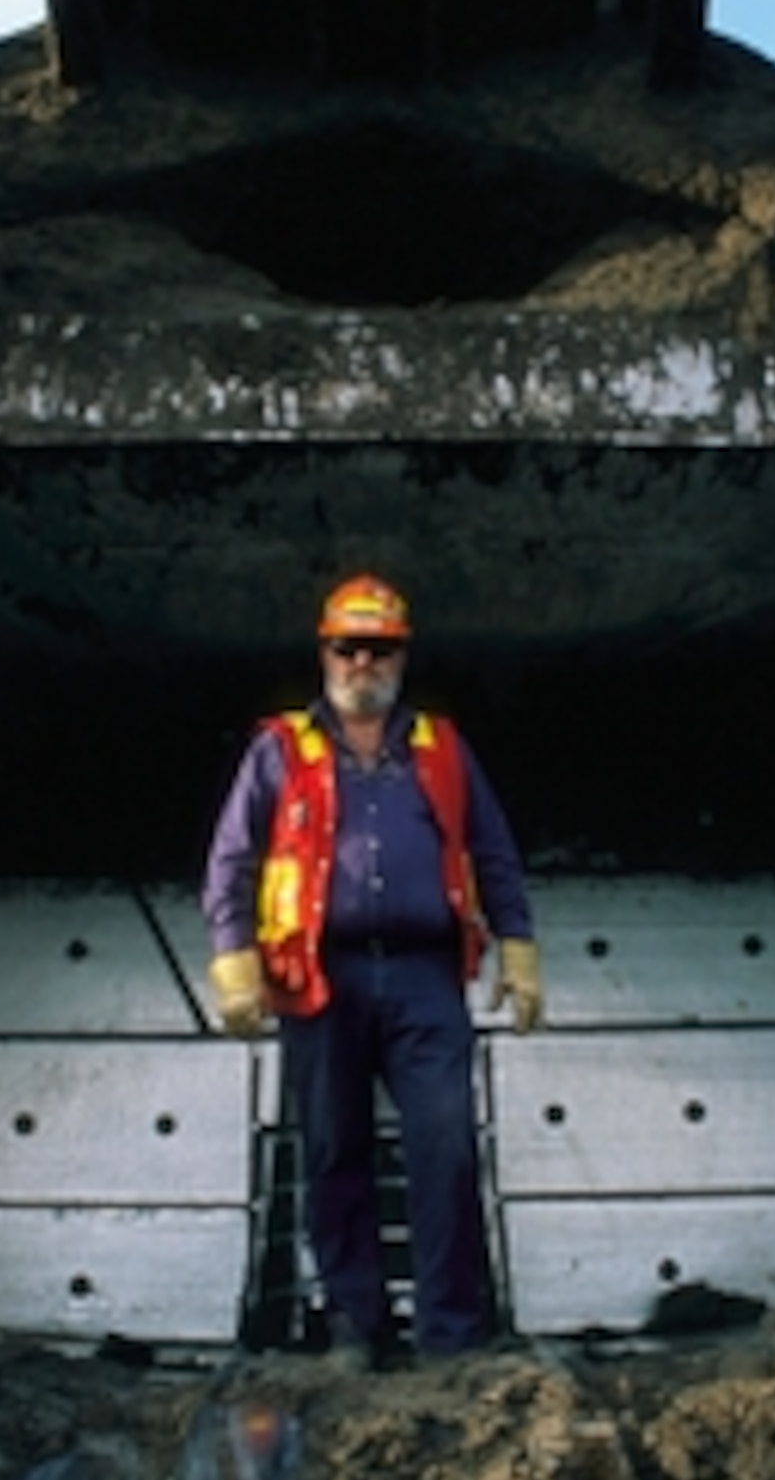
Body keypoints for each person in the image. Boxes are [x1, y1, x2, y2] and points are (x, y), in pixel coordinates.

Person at [201, 574, 542, 1363]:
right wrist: (234, 963)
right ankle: (359, 1328)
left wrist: (518, 948)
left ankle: (452, 1335)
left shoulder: (444, 749)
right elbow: (232, 861)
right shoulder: (279, 750)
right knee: (333, 1152)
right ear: (324, 653)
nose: (363, 663)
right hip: (320, 980)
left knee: (445, 1147)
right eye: (348, 648)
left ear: (402, 656)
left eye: (379, 649)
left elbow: (492, 852)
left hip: (426, 977)